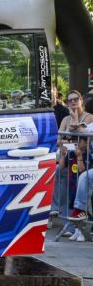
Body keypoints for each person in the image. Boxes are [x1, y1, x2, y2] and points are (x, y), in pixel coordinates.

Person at [50, 90, 93, 220]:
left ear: (81, 100)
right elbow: (59, 140)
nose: (73, 102)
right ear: (67, 103)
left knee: (77, 179)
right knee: (56, 171)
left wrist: (74, 122)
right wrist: (72, 142)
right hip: (67, 156)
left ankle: (76, 214)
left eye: (75, 99)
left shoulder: (89, 117)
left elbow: (85, 142)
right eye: (70, 100)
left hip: (84, 157)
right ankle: (56, 209)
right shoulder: (65, 119)